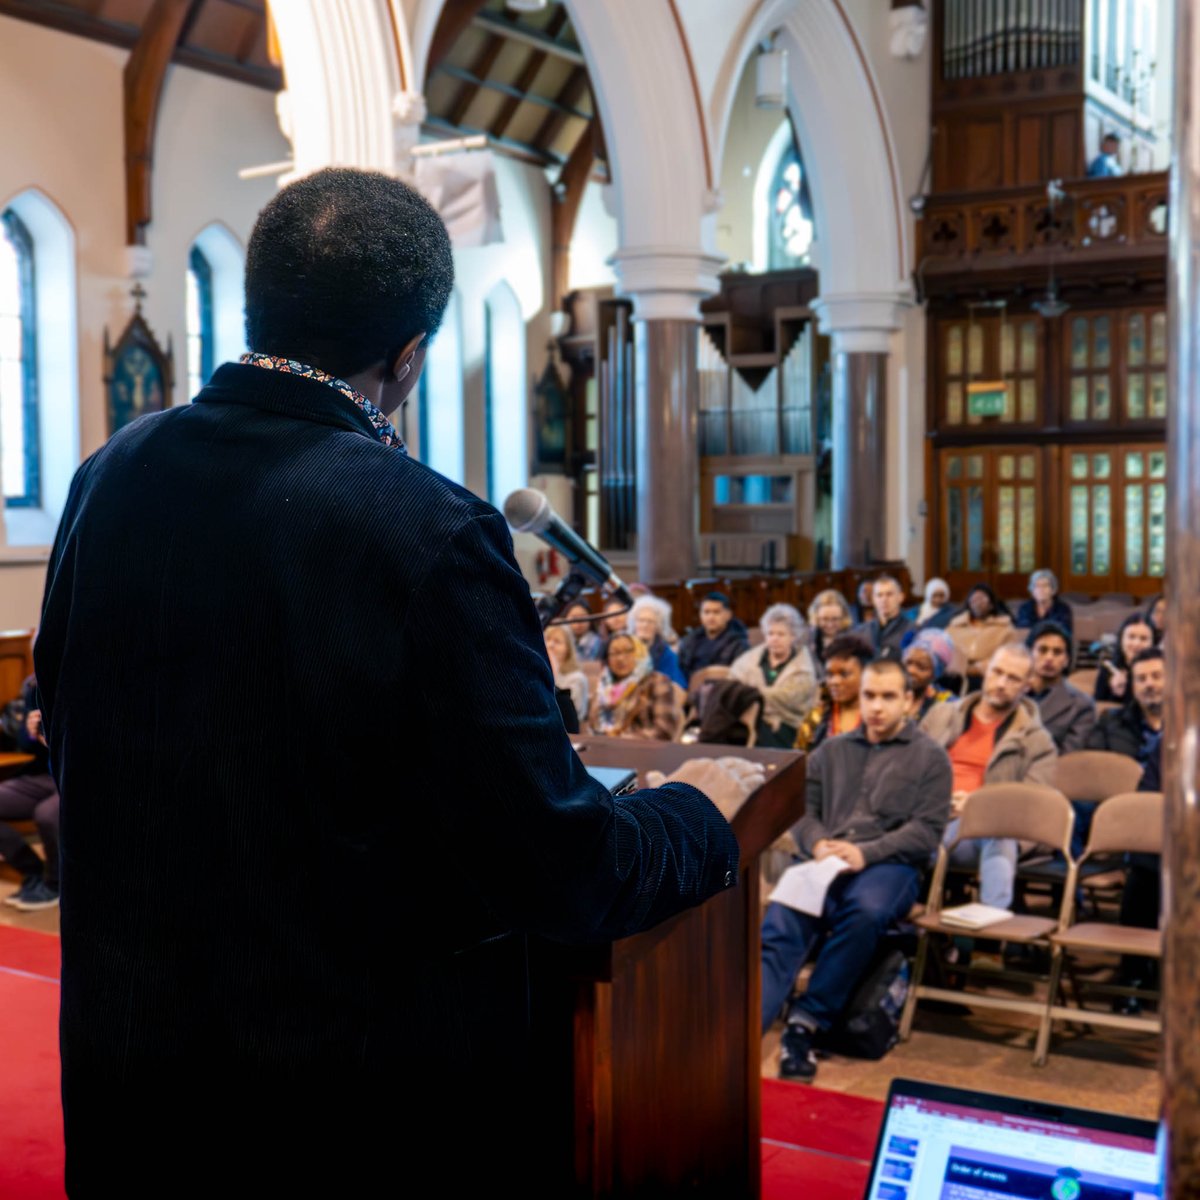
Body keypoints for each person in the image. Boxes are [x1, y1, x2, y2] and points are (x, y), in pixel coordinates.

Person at [33, 167, 756, 1195]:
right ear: (409, 358)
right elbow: (558, 868)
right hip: (340, 1109)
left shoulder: (109, 476)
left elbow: (72, 735)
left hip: (133, 1080)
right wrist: (702, 818)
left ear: (257, 304)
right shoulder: (428, 528)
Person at [761, 658, 952, 1081]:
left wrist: (867, 852)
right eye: (869, 696)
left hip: (888, 865)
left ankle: (804, 1024)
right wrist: (816, 841)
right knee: (783, 919)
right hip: (824, 859)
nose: (877, 707)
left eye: (888, 697)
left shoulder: (931, 759)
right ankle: (745, 1026)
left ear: (909, 700)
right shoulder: (831, 750)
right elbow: (801, 810)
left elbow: (927, 832)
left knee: (864, 911)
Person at [920, 644, 1057, 912]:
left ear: (1027, 686)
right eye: (997, 672)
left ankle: (989, 935)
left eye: (1013, 678)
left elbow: (1032, 808)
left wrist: (977, 807)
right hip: (927, 821)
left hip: (978, 833)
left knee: (998, 828)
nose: (1002, 683)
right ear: (985, 672)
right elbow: (908, 773)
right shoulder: (941, 716)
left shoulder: (1037, 741)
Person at [0, 673, 60, 911]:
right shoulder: (34, 685)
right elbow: (26, 746)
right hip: (42, 775)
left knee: (47, 814)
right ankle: (32, 871)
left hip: (77, 775)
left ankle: (57, 884)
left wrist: (54, 735)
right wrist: (30, 731)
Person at [729, 603, 817, 749]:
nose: (774, 639)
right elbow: (732, 684)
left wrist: (754, 695)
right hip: (746, 720)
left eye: (781, 634)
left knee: (766, 733)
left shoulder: (803, 667)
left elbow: (793, 700)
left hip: (787, 724)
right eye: (770, 634)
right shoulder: (749, 660)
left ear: (793, 636)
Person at [587, 633, 681, 741]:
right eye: (614, 653)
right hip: (602, 750)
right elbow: (592, 727)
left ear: (639, 652)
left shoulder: (657, 681)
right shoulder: (603, 686)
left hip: (643, 752)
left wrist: (618, 739)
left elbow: (664, 731)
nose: (621, 658)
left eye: (628, 651)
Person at [793, 633, 875, 752]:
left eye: (844, 674)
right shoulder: (817, 717)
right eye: (830, 675)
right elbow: (800, 759)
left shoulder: (878, 717)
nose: (834, 682)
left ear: (866, 674)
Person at [1026, 620, 1096, 752]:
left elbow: (1068, 758)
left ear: (1066, 661)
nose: (1049, 658)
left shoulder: (1082, 706)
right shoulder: (1013, 693)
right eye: (1042, 650)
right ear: (1030, 653)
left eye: (1057, 652)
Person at [1087, 646, 1164, 761]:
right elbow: (1095, 768)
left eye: (1156, 676)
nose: (1149, 684)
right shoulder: (1109, 722)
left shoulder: (1191, 724)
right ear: (1132, 686)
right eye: (1141, 679)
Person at [947, 583, 1015, 689]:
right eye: (974, 599)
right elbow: (943, 650)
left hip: (985, 675)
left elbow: (1008, 657)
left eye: (982, 599)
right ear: (969, 603)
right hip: (954, 673)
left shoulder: (1005, 629)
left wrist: (975, 669)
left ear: (991, 604)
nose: (977, 602)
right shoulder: (954, 626)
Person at [676, 591, 750, 681]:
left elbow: (739, 676)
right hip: (691, 689)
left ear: (728, 615)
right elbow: (680, 670)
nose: (711, 617)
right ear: (700, 615)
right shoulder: (690, 640)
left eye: (716, 612)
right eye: (706, 612)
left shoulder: (739, 644)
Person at [1093, 612, 1156, 704]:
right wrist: (1115, 693)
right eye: (1131, 637)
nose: (1137, 644)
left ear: (1152, 643)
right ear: (1121, 640)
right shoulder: (1108, 669)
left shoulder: (1160, 671)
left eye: (1143, 639)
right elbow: (1098, 708)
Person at [628, 594, 686, 688]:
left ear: (658, 626)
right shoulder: (626, 647)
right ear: (634, 624)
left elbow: (679, 685)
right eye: (641, 620)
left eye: (650, 621)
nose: (645, 625)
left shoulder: (667, 654)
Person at [856, 574, 915, 661]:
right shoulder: (861, 631)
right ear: (873, 599)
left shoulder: (913, 630)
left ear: (901, 597)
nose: (884, 599)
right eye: (879, 595)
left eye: (889, 594)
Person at [901, 628, 956, 721]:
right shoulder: (885, 689)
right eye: (908, 662)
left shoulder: (947, 704)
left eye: (921, 667)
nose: (910, 670)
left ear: (935, 674)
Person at [544, 623, 589, 730]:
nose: (550, 645)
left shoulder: (577, 679)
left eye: (557, 641)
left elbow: (570, 715)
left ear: (568, 648)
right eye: (548, 639)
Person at [1014, 568, 1074, 635]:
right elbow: (1022, 632)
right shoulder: (1025, 608)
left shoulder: (1063, 609)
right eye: (1037, 586)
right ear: (1032, 591)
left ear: (1053, 590)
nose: (1041, 589)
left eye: (1045, 585)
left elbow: (1064, 634)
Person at [806, 588, 854, 669]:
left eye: (835, 619)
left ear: (843, 618)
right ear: (816, 617)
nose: (830, 624)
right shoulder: (808, 639)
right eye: (824, 619)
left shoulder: (853, 639)